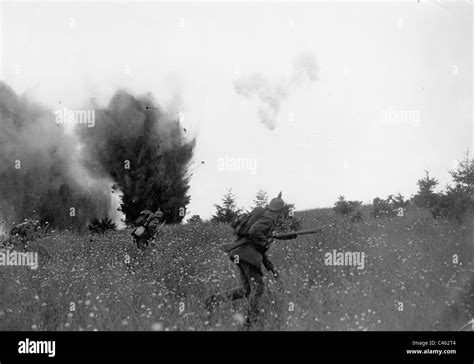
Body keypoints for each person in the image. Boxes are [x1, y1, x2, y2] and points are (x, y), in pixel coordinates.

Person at [206, 192, 296, 329]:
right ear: (280, 210)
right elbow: (255, 232)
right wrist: (266, 240)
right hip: (247, 256)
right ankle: (250, 322)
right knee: (258, 289)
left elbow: (260, 249)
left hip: (240, 254)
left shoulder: (264, 215)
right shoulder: (269, 218)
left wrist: (271, 268)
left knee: (246, 290)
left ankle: (213, 300)